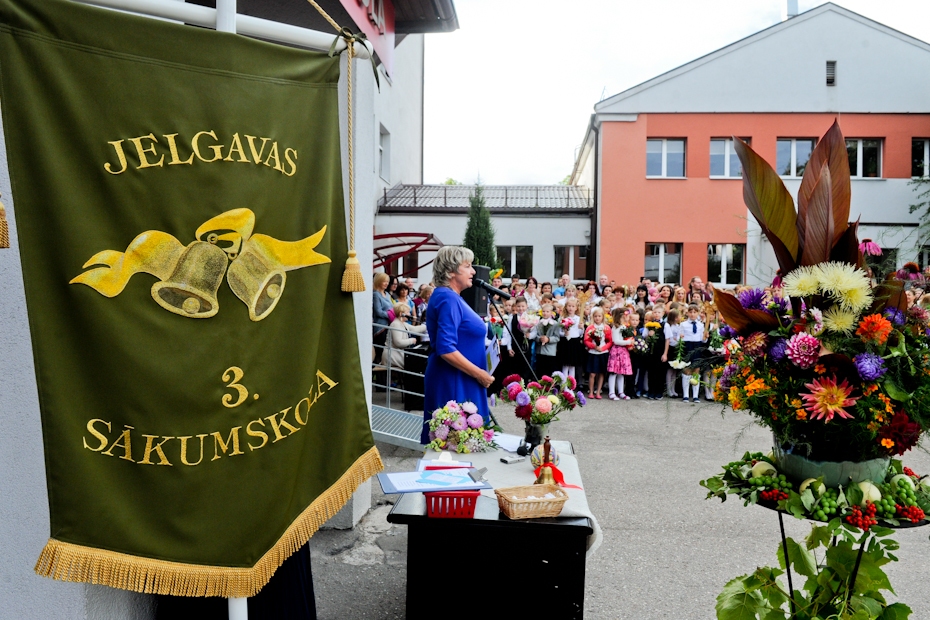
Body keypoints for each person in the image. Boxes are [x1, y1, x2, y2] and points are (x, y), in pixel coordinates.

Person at [421, 246, 495, 444]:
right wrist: (479, 374)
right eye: (467, 266)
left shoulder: (450, 297)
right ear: (451, 271)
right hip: (455, 380)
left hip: (460, 377)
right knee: (455, 446)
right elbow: (446, 348)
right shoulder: (447, 298)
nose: (473, 271)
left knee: (460, 445)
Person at [382, 302, 426, 370]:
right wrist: (411, 340)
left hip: (397, 353)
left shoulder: (403, 323)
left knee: (417, 361)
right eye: (408, 312)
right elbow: (398, 342)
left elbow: (415, 329)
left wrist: (428, 325)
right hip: (392, 355)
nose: (410, 314)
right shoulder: (396, 324)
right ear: (401, 314)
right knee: (415, 363)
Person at [679, 304, 707, 403]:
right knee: (687, 370)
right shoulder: (683, 324)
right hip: (687, 346)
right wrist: (680, 337)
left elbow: (703, 340)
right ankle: (686, 395)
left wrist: (705, 337)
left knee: (696, 370)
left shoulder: (701, 325)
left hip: (697, 346)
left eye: (695, 312)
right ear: (687, 313)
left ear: (698, 313)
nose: (692, 314)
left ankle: (695, 396)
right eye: (690, 312)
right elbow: (679, 337)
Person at [584, 307, 612, 399]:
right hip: (593, 353)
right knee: (592, 373)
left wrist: (603, 348)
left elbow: (609, 341)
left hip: (603, 353)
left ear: (602, 317)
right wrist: (594, 346)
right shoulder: (590, 328)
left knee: (601, 373)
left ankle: (598, 391)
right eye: (595, 316)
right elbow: (586, 340)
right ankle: (591, 391)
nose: (597, 318)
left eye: (599, 316)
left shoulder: (606, 328)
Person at [607, 308, 633, 400]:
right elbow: (616, 340)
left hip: (623, 351)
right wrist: (628, 342)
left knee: (621, 372)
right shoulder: (616, 327)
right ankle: (611, 392)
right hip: (617, 350)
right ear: (622, 316)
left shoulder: (624, 326)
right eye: (627, 315)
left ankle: (621, 392)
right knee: (614, 372)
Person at [558, 297, 584, 378]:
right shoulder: (562, 318)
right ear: (566, 307)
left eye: (573, 306)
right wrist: (565, 334)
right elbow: (559, 332)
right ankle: (564, 383)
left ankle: (571, 383)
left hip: (575, 342)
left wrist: (581, 328)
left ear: (576, 308)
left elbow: (580, 334)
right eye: (569, 306)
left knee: (573, 365)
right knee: (565, 365)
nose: (571, 308)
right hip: (565, 342)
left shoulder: (578, 319)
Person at [534, 303, 561, 378]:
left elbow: (557, 337)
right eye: (543, 311)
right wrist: (540, 338)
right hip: (540, 351)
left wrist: (548, 339)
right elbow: (535, 335)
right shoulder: (538, 323)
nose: (545, 313)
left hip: (550, 352)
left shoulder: (555, 324)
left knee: (549, 371)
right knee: (540, 370)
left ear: (551, 312)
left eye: (547, 311)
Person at [662, 308, 683, 398]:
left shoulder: (678, 326)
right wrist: (677, 338)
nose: (681, 317)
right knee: (670, 370)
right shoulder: (669, 326)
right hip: (670, 348)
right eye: (679, 316)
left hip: (676, 348)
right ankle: (668, 389)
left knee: (675, 370)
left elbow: (677, 337)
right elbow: (671, 338)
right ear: (675, 318)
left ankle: (673, 389)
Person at [372, 272, 393, 360]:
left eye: (387, 281)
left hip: (389, 325)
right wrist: (390, 315)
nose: (386, 283)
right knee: (379, 350)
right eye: (384, 281)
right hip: (380, 327)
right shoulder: (376, 295)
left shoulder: (387, 294)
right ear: (378, 281)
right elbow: (378, 311)